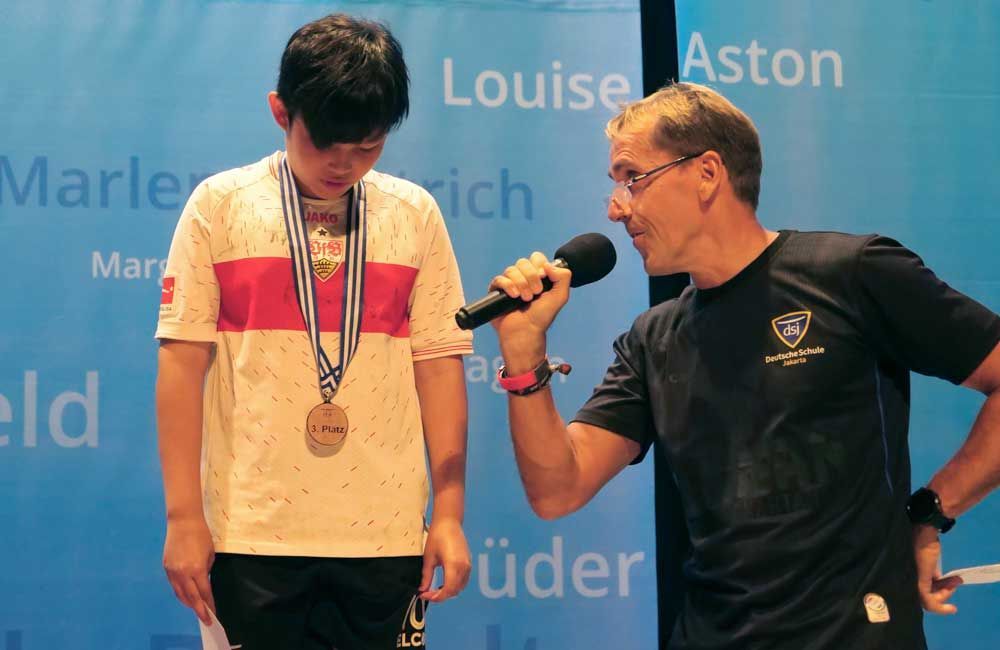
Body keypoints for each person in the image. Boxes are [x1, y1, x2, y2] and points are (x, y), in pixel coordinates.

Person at [488, 81, 1000, 649]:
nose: (616, 208)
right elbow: (558, 490)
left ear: (707, 172)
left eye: (632, 178)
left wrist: (931, 509)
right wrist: (522, 350)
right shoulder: (653, 338)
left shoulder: (852, 273)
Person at [155, 13, 473, 650]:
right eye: (325, 142)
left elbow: (438, 367)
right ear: (281, 111)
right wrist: (183, 516)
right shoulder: (221, 206)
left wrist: (451, 515)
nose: (343, 163)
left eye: (368, 145)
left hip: (385, 537)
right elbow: (181, 368)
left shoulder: (414, 214)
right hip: (249, 533)